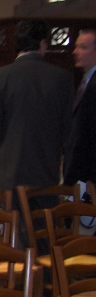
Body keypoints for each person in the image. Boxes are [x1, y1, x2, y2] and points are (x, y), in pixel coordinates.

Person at [0, 20, 73, 200]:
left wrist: (4, 157)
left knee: (12, 226)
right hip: (47, 173)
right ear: (43, 43)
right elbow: (66, 128)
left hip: (10, 175)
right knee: (45, 227)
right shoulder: (62, 78)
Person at [64, 29, 96, 187]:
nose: (75, 52)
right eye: (76, 47)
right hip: (79, 172)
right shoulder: (85, 81)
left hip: (89, 174)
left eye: (83, 47)